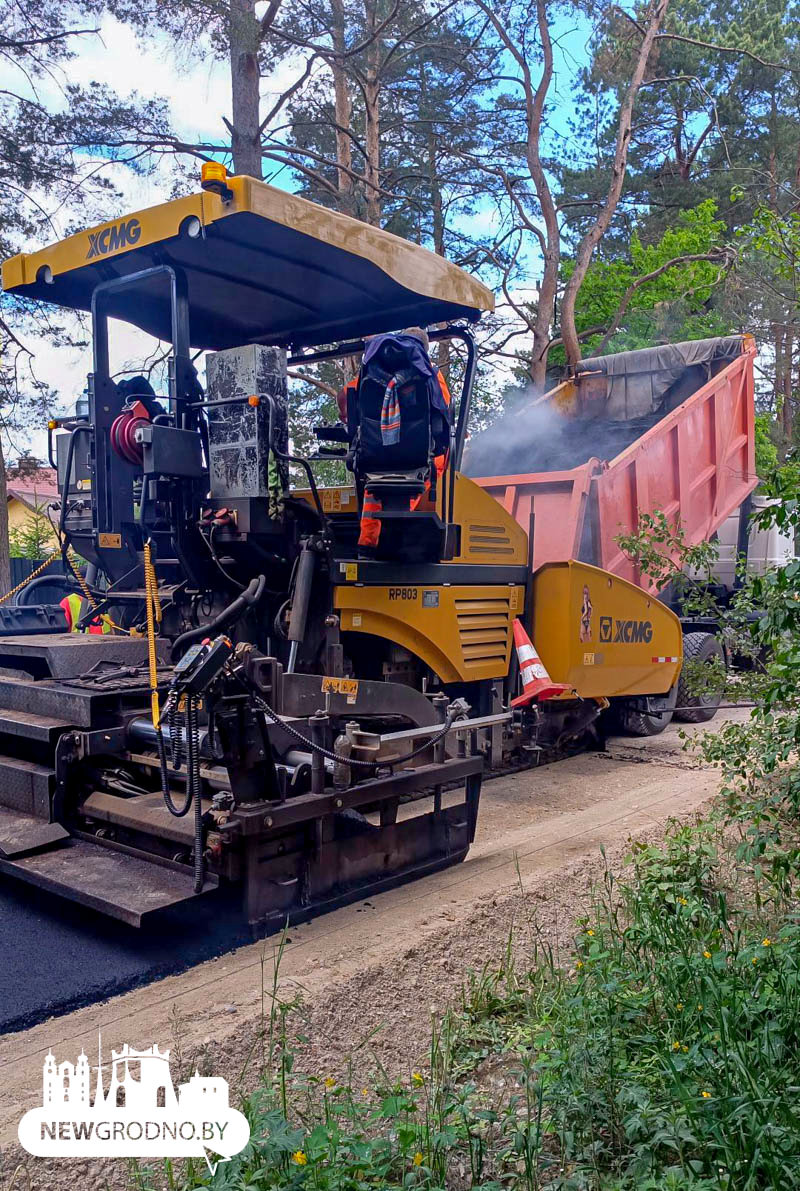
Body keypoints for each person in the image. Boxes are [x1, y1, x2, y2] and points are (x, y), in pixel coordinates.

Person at [336, 328, 451, 555]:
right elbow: (442, 417)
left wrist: (349, 418)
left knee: (375, 490)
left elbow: (344, 396)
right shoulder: (429, 374)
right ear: (424, 350)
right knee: (423, 479)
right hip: (419, 460)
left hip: (377, 458)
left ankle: (368, 545)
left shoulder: (373, 371)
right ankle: (398, 542)